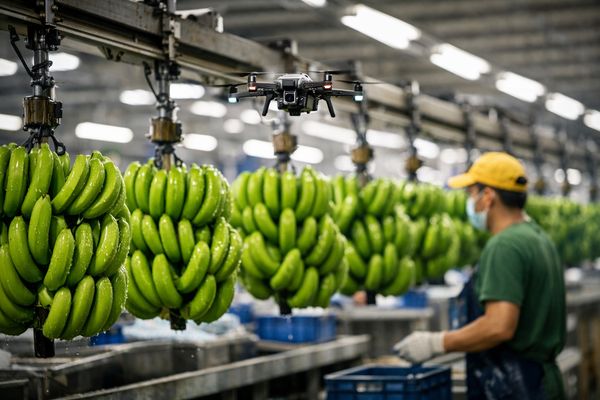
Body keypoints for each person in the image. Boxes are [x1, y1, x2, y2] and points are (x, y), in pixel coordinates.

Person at [394, 152, 566, 400]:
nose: (469, 201)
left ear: (487, 196)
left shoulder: (505, 246)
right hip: (540, 382)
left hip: (517, 386)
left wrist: (437, 343)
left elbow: (499, 326)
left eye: (471, 193)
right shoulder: (538, 238)